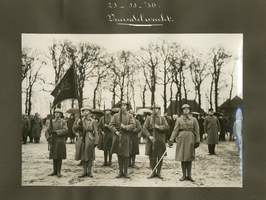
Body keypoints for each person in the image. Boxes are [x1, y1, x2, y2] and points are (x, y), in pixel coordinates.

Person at [168, 104, 200, 182]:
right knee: (183, 157)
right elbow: (175, 130)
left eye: (187, 109)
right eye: (184, 109)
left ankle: (189, 175)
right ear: (182, 110)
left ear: (189, 110)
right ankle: (183, 175)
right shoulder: (179, 120)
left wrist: (197, 140)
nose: (186, 110)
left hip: (190, 139)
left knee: (189, 157)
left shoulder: (194, 120)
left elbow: (197, 130)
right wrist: (171, 140)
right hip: (181, 139)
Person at [109, 101, 136, 178]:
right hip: (118, 137)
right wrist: (115, 131)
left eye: (125, 105)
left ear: (127, 107)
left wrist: (125, 127)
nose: (123, 107)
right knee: (119, 154)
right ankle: (120, 172)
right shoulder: (116, 115)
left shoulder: (130, 116)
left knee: (126, 155)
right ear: (120, 106)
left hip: (126, 137)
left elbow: (133, 125)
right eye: (122, 105)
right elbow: (110, 125)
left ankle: (126, 172)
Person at [143, 104, 169, 179]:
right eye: (153, 109)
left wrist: (159, 127)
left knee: (160, 156)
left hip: (160, 139)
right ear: (152, 110)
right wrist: (149, 136)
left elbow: (167, 128)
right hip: (151, 139)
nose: (155, 110)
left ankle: (159, 172)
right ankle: (153, 172)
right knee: (152, 156)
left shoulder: (162, 118)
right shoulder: (148, 118)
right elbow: (144, 128)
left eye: (157, 108)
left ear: (159, 109)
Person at [74, 107, 99, 178]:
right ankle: (84, 171)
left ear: (90, 112)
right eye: (84, 111)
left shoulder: (93, 121)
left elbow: (96, 131)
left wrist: (96, 141)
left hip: (89, 137)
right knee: (83, 155)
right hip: (82, 138)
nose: (85, 112)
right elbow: (75, 129)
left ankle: (90, 172)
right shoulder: (80, 120)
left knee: (89, 155)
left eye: (87, 111)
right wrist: (78, 125)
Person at [45, 108, 68, 177]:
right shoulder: (51, 121)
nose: (56, 114)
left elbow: (66, 130)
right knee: (54, 155)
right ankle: (54, 171)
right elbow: (47, 131)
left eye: (58, 113)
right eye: (55, 113)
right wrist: (48, 138)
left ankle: (58, 171)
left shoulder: (63, 122)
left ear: (61, 114)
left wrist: (56, 132)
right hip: (53, 140)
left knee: (59, 155)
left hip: (60, 140)